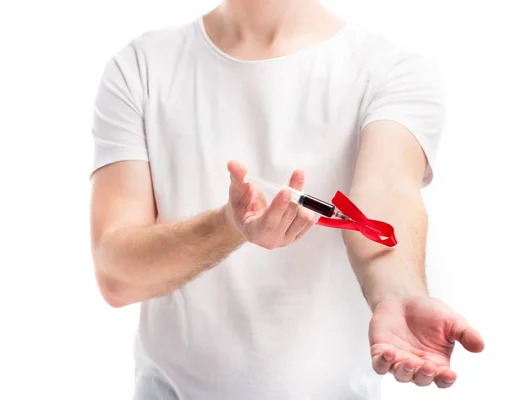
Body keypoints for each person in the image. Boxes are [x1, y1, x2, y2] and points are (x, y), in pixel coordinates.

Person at [89, 1, 485, 398]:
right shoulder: (140, 67)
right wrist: (229, 226)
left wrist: (399, 296)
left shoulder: (389, 71)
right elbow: (116, 274)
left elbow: (385, 194)